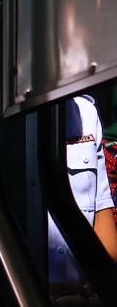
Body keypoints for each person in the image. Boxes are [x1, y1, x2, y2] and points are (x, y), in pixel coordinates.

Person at [48, 94, 117, 289]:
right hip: (24, 293)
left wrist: (101, 290)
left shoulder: (87, 112)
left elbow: (102, 214)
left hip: (82, 295)